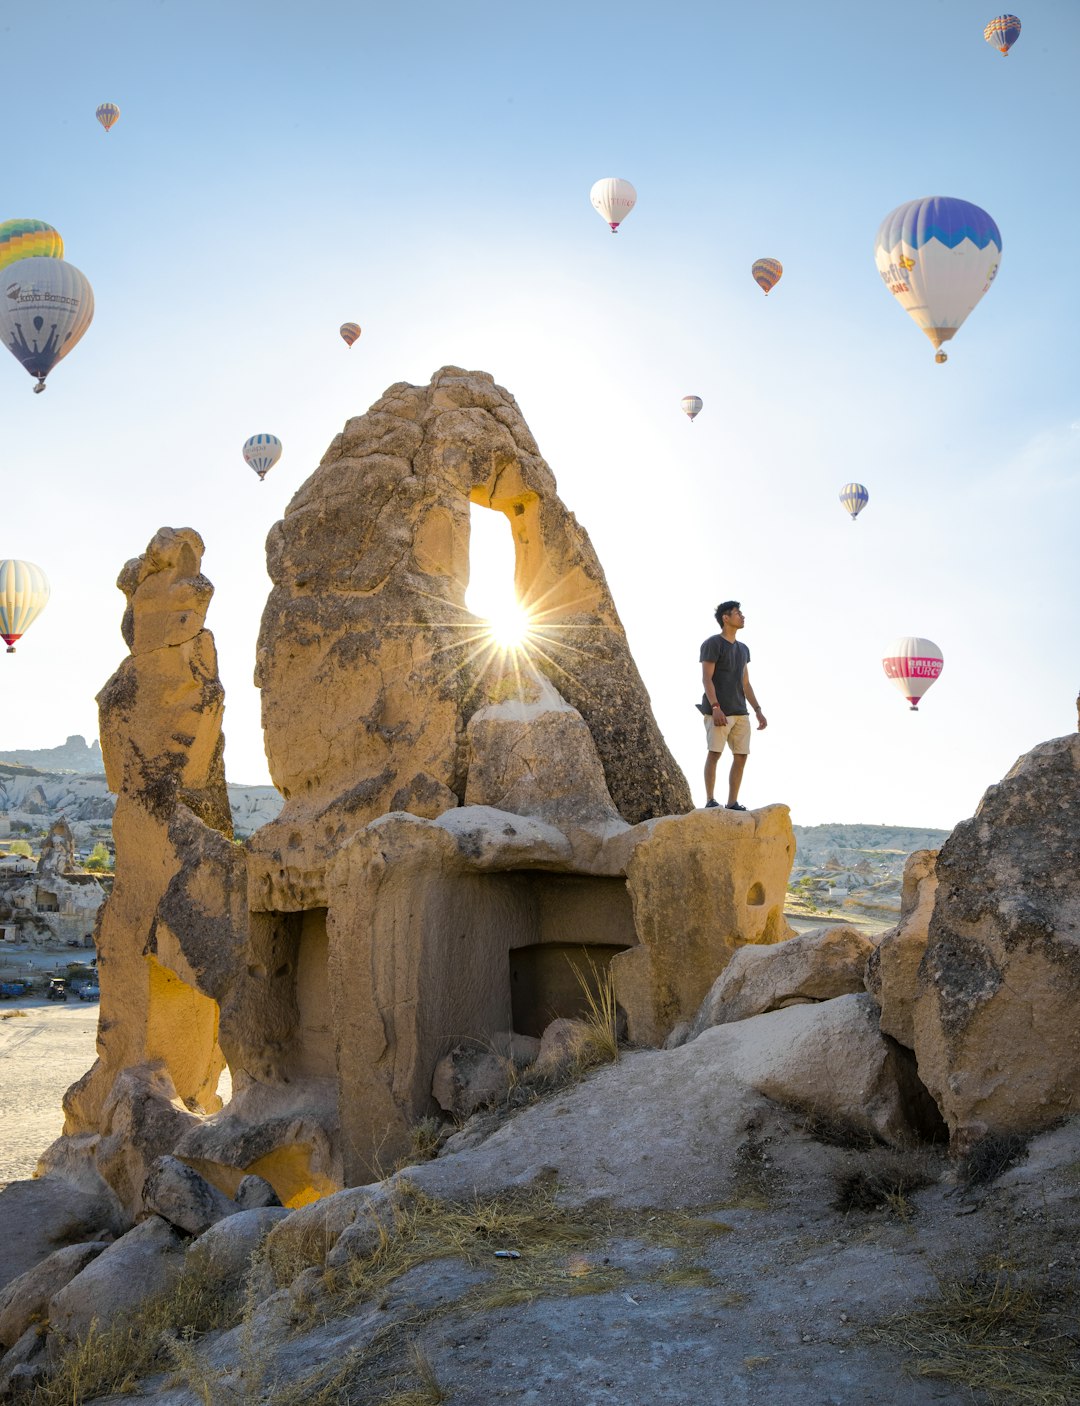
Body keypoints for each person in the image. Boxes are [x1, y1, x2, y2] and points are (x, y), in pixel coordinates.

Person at [698, 600, 767, 810]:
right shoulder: (713, 644)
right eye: (737, 613)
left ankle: (732, 802)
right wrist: (716, 706)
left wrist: (758, 710)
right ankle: (710, 799)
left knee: (741, 756)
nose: (742, 616)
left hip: (741, 711)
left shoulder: (744, 649)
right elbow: (706, 679)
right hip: (719, 710)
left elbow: (745, 683)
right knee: (715, 753)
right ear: (725, 618)